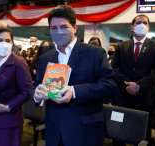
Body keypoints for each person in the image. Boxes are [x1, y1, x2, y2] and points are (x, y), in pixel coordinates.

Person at [30, 5, 117, 146]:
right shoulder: (45, 57)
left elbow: (110, 85)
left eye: (64, 27)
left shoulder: (95, 53)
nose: (59, 32)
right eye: (54, 28)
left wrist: (75, 91)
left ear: (74, 28)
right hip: (54, 129)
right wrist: (36, 94)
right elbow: (36, 85)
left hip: (84, 129)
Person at [111, 14, 155, 145]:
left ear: (148, 27)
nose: (142, 25)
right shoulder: (121, 46)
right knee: (118, 133)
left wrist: (139, 85)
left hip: (145, 97)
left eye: (145, 23)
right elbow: (114, 67)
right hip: (122, 96)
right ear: (132, 27)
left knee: (142, 136)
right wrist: (128, 85)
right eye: (138, 22)